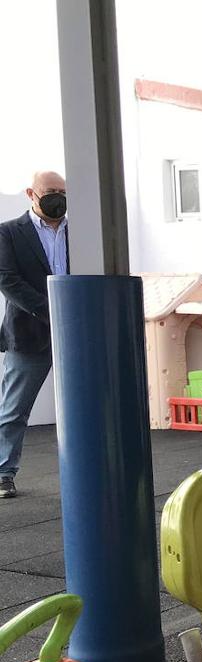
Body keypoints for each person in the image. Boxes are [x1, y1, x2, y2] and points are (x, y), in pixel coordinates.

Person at [0, 171, 69, 499]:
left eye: (62, 191)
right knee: (13, 408)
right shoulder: (9, 233)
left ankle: (89, 469)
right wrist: (51, 310)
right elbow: (8, 281)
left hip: (76, 332)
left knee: (86, 402)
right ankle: (3, 472)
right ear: (31, 193)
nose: (57, 197)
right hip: (28, 335)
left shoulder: (79, 230)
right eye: (50, 192)